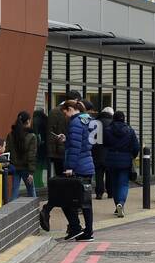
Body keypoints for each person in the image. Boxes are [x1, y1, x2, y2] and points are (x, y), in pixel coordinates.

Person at [59, 98, 96, 241]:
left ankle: (76, 228)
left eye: (65, 113)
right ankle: (88, 232)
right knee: (86, 202)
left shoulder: (75, 122)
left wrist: (70, 167)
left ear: (70, 109)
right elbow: (85, 143)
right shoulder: (88, 121)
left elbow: (75, 148)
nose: (65, 116)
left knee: (67, 199)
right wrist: (67, 139)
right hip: (87, 165)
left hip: (78, 167)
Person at [103, 110, 141, 218]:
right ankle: (121, 203)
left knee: (114, 184)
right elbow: (136, 147)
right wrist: (132, 156)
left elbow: (104, 144)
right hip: (125, 159)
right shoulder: (130, 130)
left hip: (111, 159)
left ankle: (117, 206)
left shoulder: (107, 130)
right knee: (123, 184)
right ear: (124, 119)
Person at [4, 111, 38, 199]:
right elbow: (31, 155)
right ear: (28, 121)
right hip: (26, 168)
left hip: (14, 167)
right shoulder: (32, 136)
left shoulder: (11, 135)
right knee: (31, 191)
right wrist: (31, 172)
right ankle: (35, 210)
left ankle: (12, 211)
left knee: (14, 190)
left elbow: (7, 151)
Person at [92, 106, 112, 199]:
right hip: (109, 152)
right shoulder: (112, 123)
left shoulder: (95, 122)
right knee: (109, 173)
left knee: (99, 174)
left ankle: (99, 193)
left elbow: (91, 139)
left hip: (97, 152)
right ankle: (110, 192)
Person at [31, 108, 49, 188]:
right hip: (44, 146)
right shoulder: (45, 120)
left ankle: (36, 182)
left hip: (37, 146)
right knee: (40, 165)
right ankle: (40, 182)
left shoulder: (34, 120)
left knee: (37, 165)